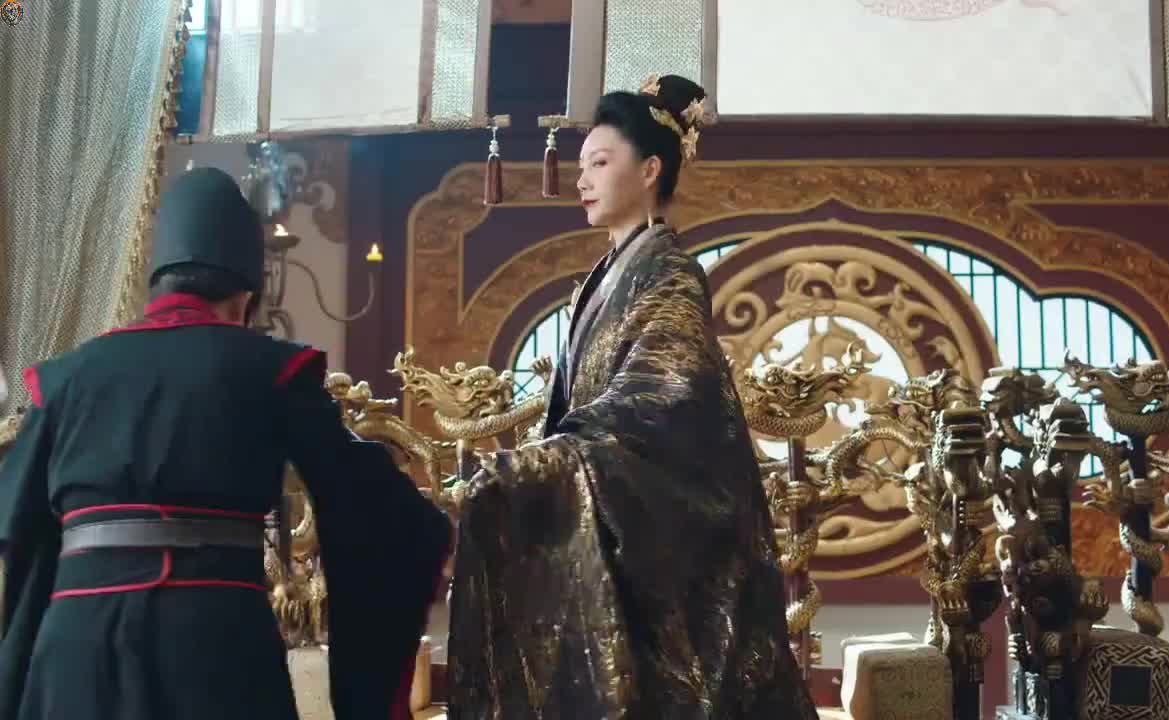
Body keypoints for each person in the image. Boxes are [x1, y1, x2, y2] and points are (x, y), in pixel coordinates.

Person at [0, 167, 453, 720]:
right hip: (212, 641)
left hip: (76, 648)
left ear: (158, 282)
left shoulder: (64, 379)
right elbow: (368, 501)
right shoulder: (271, 370)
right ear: (246, 294)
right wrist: (436, 528)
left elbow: (19, 530)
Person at [447, 75, 818, 719]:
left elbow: (660, 396)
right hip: (616, 516)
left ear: (650, 170)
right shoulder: (603, 278)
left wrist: (547, 460)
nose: (582, 180)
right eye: (582, 165)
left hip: (662, 531)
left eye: (599, 163)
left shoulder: (669, 272)